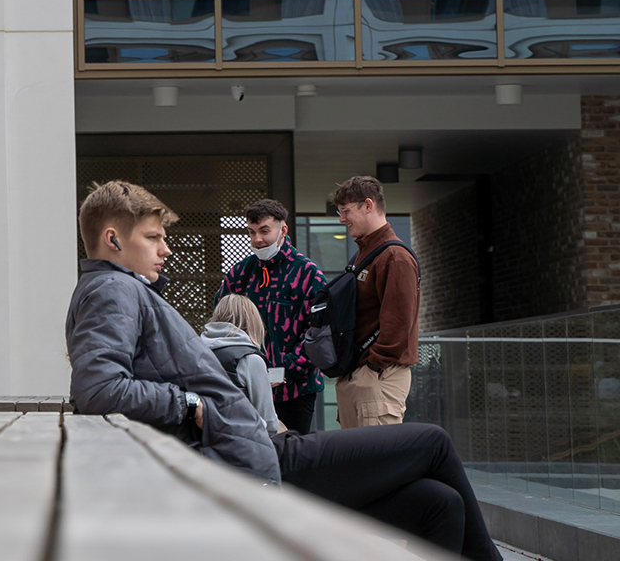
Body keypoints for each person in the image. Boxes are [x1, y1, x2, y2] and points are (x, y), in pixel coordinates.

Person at [66, 180, 499, 560]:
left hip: (251, 448)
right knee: (432, 442)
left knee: (440, 504)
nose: (166, 248)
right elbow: (99, 388)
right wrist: (189, 401)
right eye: (153, 237)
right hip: (253, 463)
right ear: (114, 239)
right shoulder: (112, 289)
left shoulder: (116, 290)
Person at [215, 199, 326, 433]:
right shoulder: (239, 274)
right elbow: (221, 322)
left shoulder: (308, 274)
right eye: (252, 232)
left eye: (264, 231)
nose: (257, 239)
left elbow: (318, 332)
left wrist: (284, 369)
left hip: (295, 391)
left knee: (292, 459)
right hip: (245, 388)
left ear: (283, 229)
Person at [333, 176, 420, 428]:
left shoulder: (396, 257)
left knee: (377, 464)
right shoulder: (366, 254)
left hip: (379, 375)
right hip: (361, 374)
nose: (342, 219)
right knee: (356, 464)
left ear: (368, 205)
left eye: (345, 211)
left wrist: (372, 367)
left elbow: (399, 324)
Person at [203, 295, 279, 438]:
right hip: (242, 441)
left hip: (202, 440)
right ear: (253, 322)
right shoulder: (250, 359)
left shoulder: (196, 351)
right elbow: (269, 425)